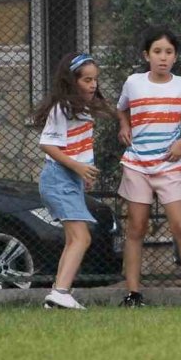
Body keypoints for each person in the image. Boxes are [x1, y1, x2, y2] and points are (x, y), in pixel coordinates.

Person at [117, 26, 181, 307]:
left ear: (175, 57)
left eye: (168, 52)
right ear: (147, 55)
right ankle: (133, 293)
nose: (163, 57)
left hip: (169, 166)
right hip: (136, 165)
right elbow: (121, 108)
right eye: (157, 51)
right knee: (137, 227)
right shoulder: (133, 83)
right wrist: (124, 124)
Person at [34, 52, 116, 310]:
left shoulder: (83, 110)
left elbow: (78, 146)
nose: (93, 85)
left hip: (70, 180)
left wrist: (83, 175)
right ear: (73, 81)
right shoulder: (62, 108)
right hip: (59, 179)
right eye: (87, 80)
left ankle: (58, 294)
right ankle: (60, 292)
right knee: (81, 238)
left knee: (74, 239)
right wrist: (78, 167)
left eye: (95, 80)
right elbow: (47, 144)